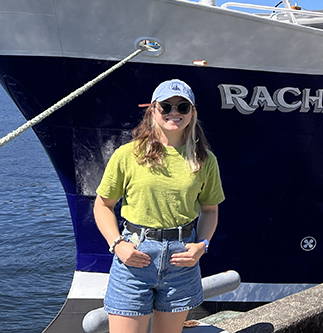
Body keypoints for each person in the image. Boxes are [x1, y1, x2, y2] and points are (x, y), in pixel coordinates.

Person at [94, 79, 225, 333]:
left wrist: (202, 245)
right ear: (153, 110)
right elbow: (102, 205)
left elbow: (210, 210)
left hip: (181, 259)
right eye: (166, 106)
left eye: (182, 107)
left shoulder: (204, 160)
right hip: (135, 255)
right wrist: (118, 245)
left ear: (192, 113)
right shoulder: (128, 155)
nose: (174, 113)